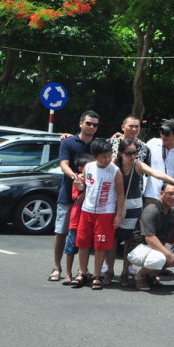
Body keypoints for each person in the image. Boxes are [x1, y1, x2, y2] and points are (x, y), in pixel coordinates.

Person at [109, 139, 174, 286]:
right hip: (116, 206)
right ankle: (110, 272)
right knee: (112, 240)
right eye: (129, 153)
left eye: (135, 153)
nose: (133, 156)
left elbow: (156, 173)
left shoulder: (137, 165)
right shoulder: (114, 164)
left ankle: (126, 272)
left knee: (128, 240)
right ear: (120, 153)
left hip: (135, 205)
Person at [50, 110, 99, 282]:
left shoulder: (98, 145)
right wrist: (74, 176)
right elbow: (63, 163)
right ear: (80, 123)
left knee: (84, 235)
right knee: (61, 231)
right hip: (67, 195)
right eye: (88, 123)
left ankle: (82, 271)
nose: (91, 127)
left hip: (90, 198)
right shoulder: (68, 142)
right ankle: (57, 267)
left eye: (95, 124)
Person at [71, 139, 125, 291]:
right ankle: (82, 272)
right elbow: (86, 186)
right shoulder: (88, 167)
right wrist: (79, 185)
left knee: (100, 245)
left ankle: (96, 276)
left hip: (105, 213)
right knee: (83, 242)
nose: (107, 159)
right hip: (87, 211)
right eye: (103, 157)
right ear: (94, 156)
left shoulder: (115, 171)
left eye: (109, 156)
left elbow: (121, 194)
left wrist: (118, 215)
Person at [127, 183, 174, 291]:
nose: (173, 198)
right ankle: (139, 276)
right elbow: (149, 238)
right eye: (170, 194)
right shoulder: (151, 210)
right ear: (161, 193)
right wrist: (167, 254)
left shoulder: (173, 212)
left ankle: (150, 273)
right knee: (159, 258)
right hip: (139, 248)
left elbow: (172, 234)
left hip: (154, 248)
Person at [60, 154, 93, 285]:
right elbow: (77, 201)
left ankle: (82, 271)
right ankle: (68, 273)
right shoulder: (77, 181)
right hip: (76, 221)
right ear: (80, 168)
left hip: (88, 221)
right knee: (71, 249)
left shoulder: (92, 180)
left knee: (85, 248)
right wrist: (87, 190)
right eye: (88, 166)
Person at [144, 119, 174, 206]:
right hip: (152, 195)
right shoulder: (153, 143)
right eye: (162, 132)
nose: (163, 136)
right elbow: (136, 148)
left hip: (172, 196)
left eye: (167, 133)